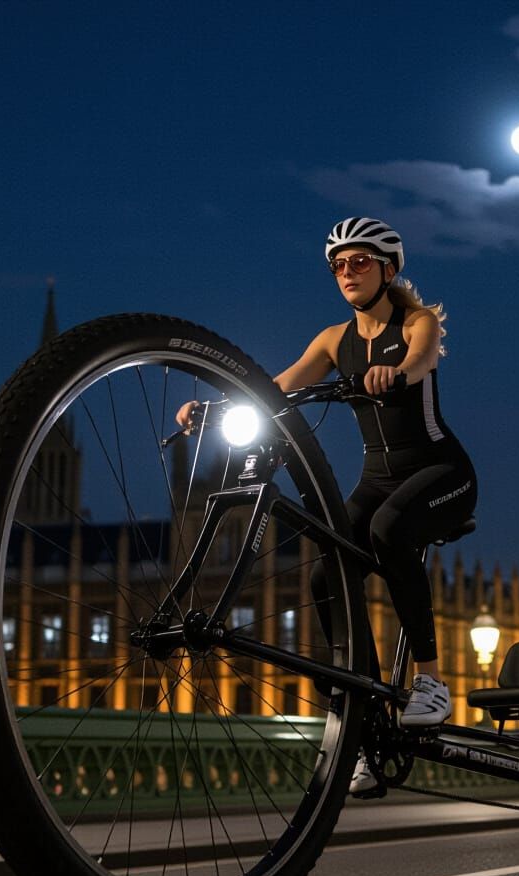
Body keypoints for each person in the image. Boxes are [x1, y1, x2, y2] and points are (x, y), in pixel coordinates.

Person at [177, 217, 477, 793]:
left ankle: (431, 681)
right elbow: (274, 386)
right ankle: (363, 722)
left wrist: (395, 373)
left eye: (360, 261)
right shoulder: (332, 341)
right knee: (324, 574)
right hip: (376, 479)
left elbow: (421, 361)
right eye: (337, 264)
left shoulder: (419, 323)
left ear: (388, 268)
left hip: (440, 471)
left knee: (390, 531)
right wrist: (212, 408)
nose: (347, 273)